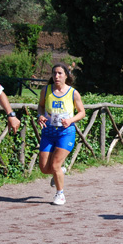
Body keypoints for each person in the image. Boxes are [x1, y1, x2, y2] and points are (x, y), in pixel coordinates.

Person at [37, 63, 86, 206]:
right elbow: (40, 107)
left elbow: (82, 112)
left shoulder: (73, 93)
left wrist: (70, 120)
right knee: (44, 169)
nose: (56, 76)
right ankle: (60, 171)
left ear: (66, 75)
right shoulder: (46, 91)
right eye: (54, 73)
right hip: (48, 132)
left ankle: (60, 194)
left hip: (66, 133)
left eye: (59, 73)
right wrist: (40, 116)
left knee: (55, 164)